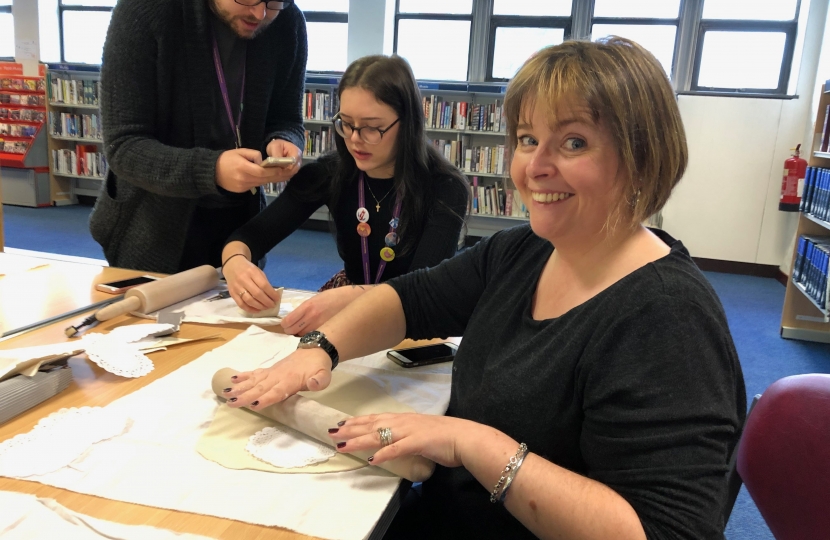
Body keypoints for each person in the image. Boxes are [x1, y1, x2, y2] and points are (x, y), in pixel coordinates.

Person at [224, 37, 747, 539]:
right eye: (527, 139)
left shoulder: (668, 318)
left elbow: (665, 530)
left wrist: (472, 443)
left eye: (574, 142)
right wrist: (319, 350)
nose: (535, 167)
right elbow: (411, 299)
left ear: (641, 156)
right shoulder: (525, 251)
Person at [221, 55, 469, 335]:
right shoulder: (330, 172)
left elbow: (423, 290)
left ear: (407, 123)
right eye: (346, 123)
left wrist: (350, 299)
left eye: (372, 128)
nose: (354, 139)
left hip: (411, 316)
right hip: (346, 304)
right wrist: (235, 262)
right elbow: (248, 237)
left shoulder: (445, 187)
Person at [89, 0, 307, 274]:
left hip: (240, 224)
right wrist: (212, 170)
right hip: (151, 227)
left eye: (274, 1)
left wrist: (284, 139)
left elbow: (287, 118)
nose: (260, 13)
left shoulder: (287, 22)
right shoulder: (144, 9)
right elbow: (123, 146)